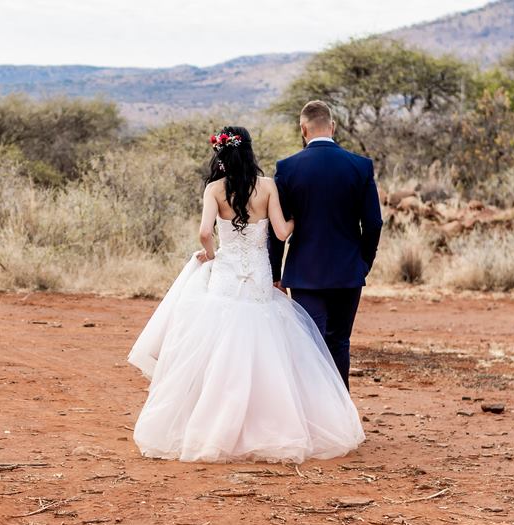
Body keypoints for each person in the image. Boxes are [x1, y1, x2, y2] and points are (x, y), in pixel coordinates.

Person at [127, 126, 364, 463]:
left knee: (217, 349)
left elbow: (204, 232)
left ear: (220, 155)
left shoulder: (214, 189)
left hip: (226, 277)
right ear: (250, 152)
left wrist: (210, 255)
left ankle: (212, 427)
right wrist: (300, 219)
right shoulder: (267, 187)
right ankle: (270, 426)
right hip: (257, 281)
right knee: (266, 348)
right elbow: (281, 232)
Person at [270, 101, 383, 390]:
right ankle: (341, 418)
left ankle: (313, 419)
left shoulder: (287, 168)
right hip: (348, 271)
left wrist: (275, 273)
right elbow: (373, 224)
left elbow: (277, 226)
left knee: (309, 345)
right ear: (332, 127)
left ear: (303, 129)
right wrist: (363, 263)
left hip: (305, 273)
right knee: (339, 342)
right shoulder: (360, 166)